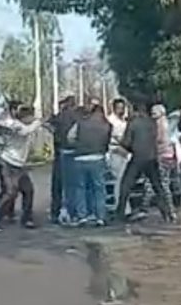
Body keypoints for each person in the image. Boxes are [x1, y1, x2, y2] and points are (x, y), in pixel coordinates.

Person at [115, 100, 174, 223]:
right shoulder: (152, 122)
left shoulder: (133, 123)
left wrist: (120, 144)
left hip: (138, 158)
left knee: (125, 186)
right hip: (152, 158)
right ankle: (167, 213)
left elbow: (127, 142)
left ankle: (120, 214)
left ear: (134, 109)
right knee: (158, 186)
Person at [0, 104, 39, 228]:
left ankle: (27, 218)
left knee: (28, 190)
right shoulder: (16, 125)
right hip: (8, 163)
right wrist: (38, 122)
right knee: (10, 192)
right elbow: (25, 131)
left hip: (19, 164)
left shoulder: (20, 125)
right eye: (29, 117)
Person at [70, 98, 111, 226]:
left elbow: (70, 137)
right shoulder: (107, 125)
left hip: (80, 157)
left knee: (80, 188)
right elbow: (108, 140)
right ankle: (100, 216)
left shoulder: (80, 122)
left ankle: (82, 216)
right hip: (98, 157)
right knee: (99, 188)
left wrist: (78, 144)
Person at [48, 95, 79, 224]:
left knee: (57, 184)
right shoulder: (77, 117)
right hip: (75, 152)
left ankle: (55, 212)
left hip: (60, 151)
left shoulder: (59, 117)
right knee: (73, 185)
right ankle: (72, 211)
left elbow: (49, 124)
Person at [153, 102, 181, 212]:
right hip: (170, 155)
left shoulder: (160, 124)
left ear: (160, 113)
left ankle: (169, 207)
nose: (152, 114)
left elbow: (160, 139)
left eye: (154, 112)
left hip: (162, 155)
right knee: (169, 181)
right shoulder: (167, 122)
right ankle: (172, 205)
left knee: (163, 183)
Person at [107, 97, 129, 207]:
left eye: (123, 108)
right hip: (115, 151)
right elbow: (114, 137)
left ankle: (124, 205)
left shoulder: (124, 120)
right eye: (119, 108)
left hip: (125, 152)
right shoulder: (110, 121)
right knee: (119, 180)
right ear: (114, 108)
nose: (121, 110)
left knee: (124, 180)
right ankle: (121, 206)